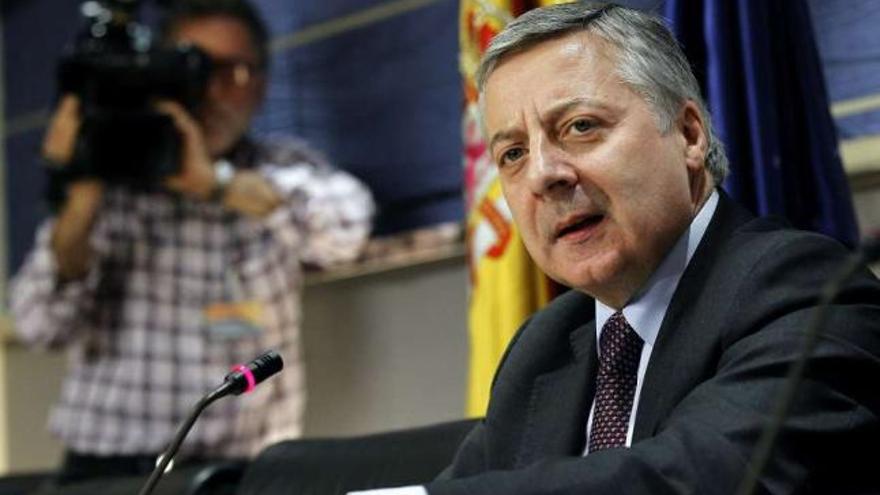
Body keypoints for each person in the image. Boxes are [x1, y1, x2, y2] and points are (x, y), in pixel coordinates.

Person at [353, 3, 880, 495]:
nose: (544, 175)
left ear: (689, 134)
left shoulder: (804, 290)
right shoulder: (548, 342)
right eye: (513, 153)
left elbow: (700, 475)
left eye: (581, 127)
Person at [10, 0, 374, 485]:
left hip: (241, 470)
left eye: (235, 71)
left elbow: (348, 226)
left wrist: (217, 184)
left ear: (263, 86)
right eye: (194, 68)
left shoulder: (279, 165)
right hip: (109, 471)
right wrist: (81, 186)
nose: (213, 90)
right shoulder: (113, 186)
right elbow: (38, 324)